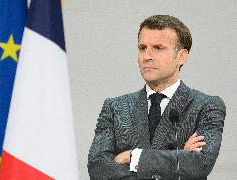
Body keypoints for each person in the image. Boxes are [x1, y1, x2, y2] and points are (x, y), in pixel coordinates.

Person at [87, 15, 226, 180]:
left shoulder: (206, 106)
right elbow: (98, 169)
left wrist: (132, 157)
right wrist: (179, 157)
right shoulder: (115, 107)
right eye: (142, 48)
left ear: (181, 56)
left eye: (158, 48)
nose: (147, 56)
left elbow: (199, 164)